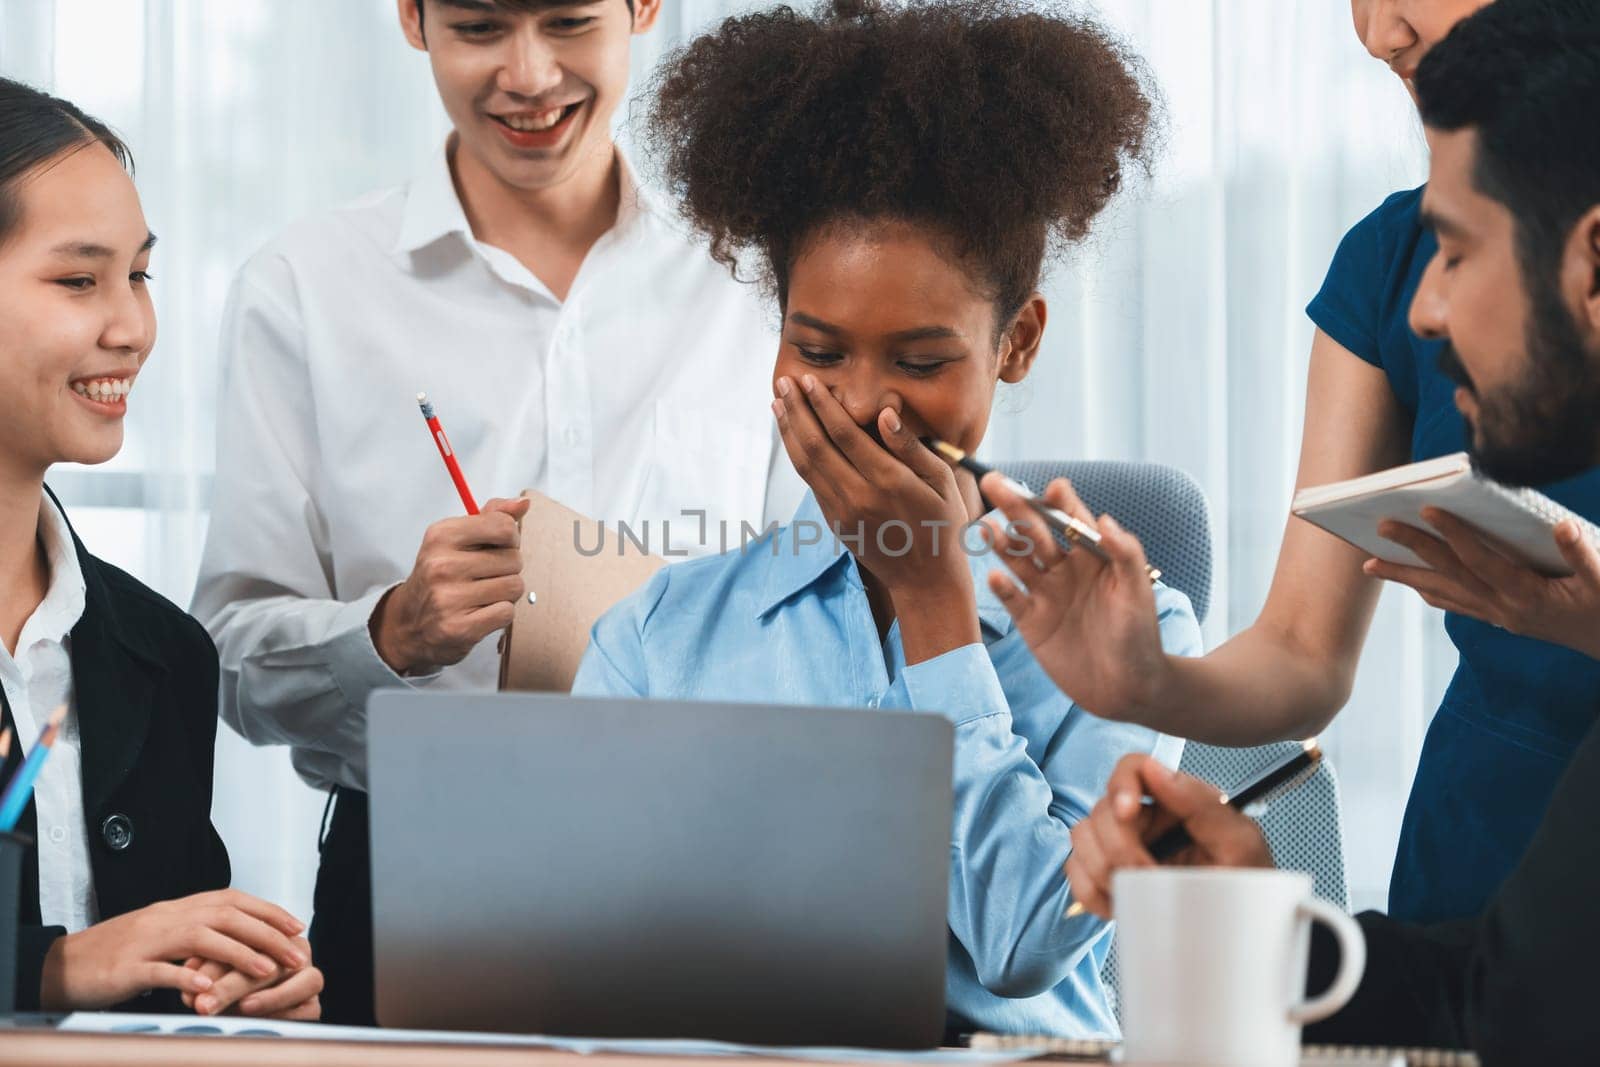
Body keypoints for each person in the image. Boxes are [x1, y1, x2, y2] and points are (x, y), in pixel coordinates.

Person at [570, 0, 1196, 1038]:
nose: (864, 404)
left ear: (1017, 341)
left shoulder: (1135, 635)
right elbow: (579, 957)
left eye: (918, 360)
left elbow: (1021, 941)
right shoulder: (659, 637)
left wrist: (932, 610)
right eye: (816, 351)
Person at [190, 0, 803, 1025]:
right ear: (411, 18)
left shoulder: (758, 279)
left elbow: (825, 606)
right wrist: (389, 631)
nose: (526, 75)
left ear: (644, 7)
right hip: (412, 872)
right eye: (479, 27)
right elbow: (228, 661)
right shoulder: (304, 288)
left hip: (713, 863)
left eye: (568, 22)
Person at [980, 0, 1600, 925]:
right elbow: (1303, 649)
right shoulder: (1392, 264)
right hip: (1483, 859)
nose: (1376, 31)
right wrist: (1149, 682)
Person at [0, 78, 321, 1019]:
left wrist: (227, 988)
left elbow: (151, 970)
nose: (133, 328)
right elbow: (88, 963)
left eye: (138, 275)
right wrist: (57, 969)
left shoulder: (163, 650)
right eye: (78, 279)